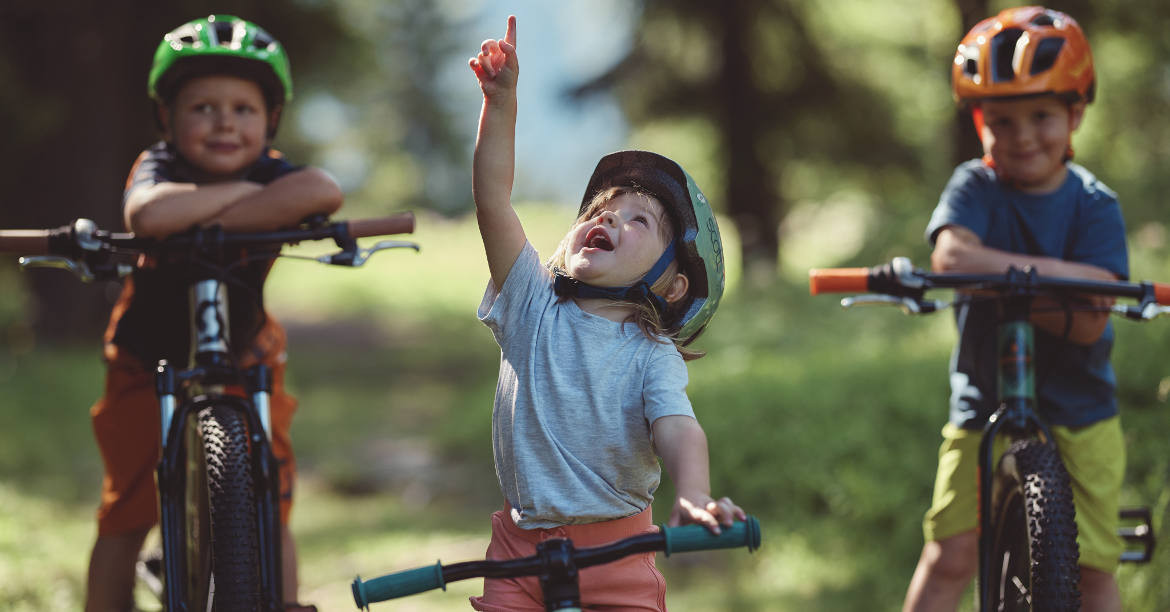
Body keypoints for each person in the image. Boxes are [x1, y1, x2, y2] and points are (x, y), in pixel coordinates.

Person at [467, 16, 745, 611]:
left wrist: (694, 494)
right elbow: (493, 199)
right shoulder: (530, 303)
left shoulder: (652, 355)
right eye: (601, 210)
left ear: (672, 287)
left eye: (638, 219)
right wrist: (502, 104)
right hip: (520, 552)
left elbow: (677, 427)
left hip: (615, 556)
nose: (610, 219)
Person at [85, 15, 340, 612]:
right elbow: (147, 215)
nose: (225, 121)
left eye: (243, 109)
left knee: (270, 496)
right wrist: (253, 202)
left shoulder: (273, 166)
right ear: (168, 119)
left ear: (270, 121)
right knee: (127, 507)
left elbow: (322, 190)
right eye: (203, 108)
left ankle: (280, 600)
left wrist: (199, 215)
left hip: (247, 350)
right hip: (144, 356)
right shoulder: (160, 165)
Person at [904, 7, 1127, 612]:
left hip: (1081, 408)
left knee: (1096, 568)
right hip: (982, 403)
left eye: (1041, 116)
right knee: (949, 555)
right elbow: (951, 257)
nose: (1023, 135)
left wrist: (996, 277)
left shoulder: (1094, 206)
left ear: (1075, 114)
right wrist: (1066, 278)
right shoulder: (975, 186)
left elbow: (1090, 322)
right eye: (1002, 120)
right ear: (980, 122)